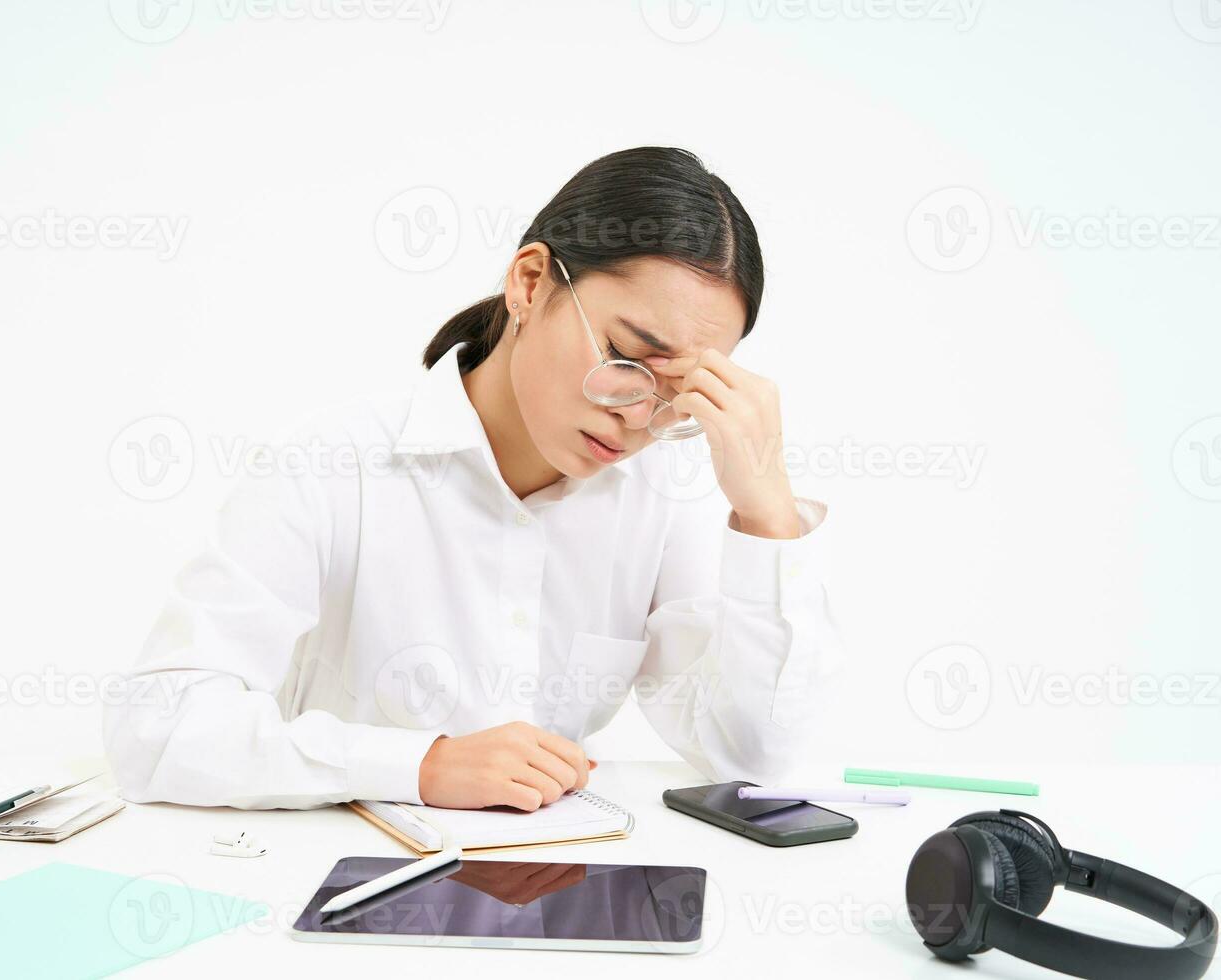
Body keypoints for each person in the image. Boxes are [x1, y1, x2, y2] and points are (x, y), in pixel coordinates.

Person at [103, 146, 844, 813]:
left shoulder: (662, 497)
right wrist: (419, 767)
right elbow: (157, 726)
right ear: (530, 283)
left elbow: (753, 759)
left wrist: (767, 512)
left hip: (556, 898)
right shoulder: (333, 466)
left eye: (677, 393)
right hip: (333, 894)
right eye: (626, 356)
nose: (639, 416)